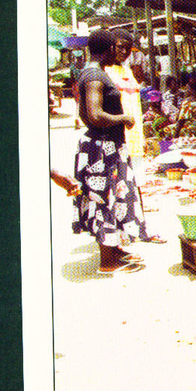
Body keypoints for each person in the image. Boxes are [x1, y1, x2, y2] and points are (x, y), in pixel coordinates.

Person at [72, 29, 159, 275]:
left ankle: (114, 249)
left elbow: (84, 113)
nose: (120, 54)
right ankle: (107, 262)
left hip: (108, 146)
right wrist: (124, 118)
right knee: (104, 202)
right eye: (117, 48)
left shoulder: (92, 73)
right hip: (103, 149)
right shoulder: (95, 76)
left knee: (116, 199)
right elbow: (95, 114)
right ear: (109, 49)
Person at [107, 30, 146, 161]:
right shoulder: (104, 71)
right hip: (115, 138)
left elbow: (136, 106)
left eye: (128, 48)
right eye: (120, 47)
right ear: (110, 46)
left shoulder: (128, 72)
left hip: (134, 138)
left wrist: (142, 137)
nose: (124, 51)